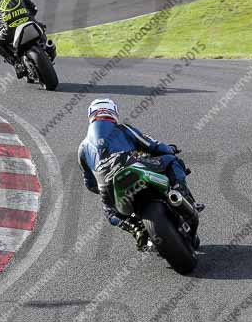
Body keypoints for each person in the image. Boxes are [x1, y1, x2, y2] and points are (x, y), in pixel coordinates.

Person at [78, 98, 204, 248]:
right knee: (171, 160)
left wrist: (101, 188)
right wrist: (170, 149)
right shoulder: (123, 129)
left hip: (106, 185)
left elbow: (89, 183)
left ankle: (135, 228)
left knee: (110, 213)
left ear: (91, 115)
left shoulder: (82, 148)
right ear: (113, 112)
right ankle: (181, 193)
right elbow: (152, 145)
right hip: (129, 166)